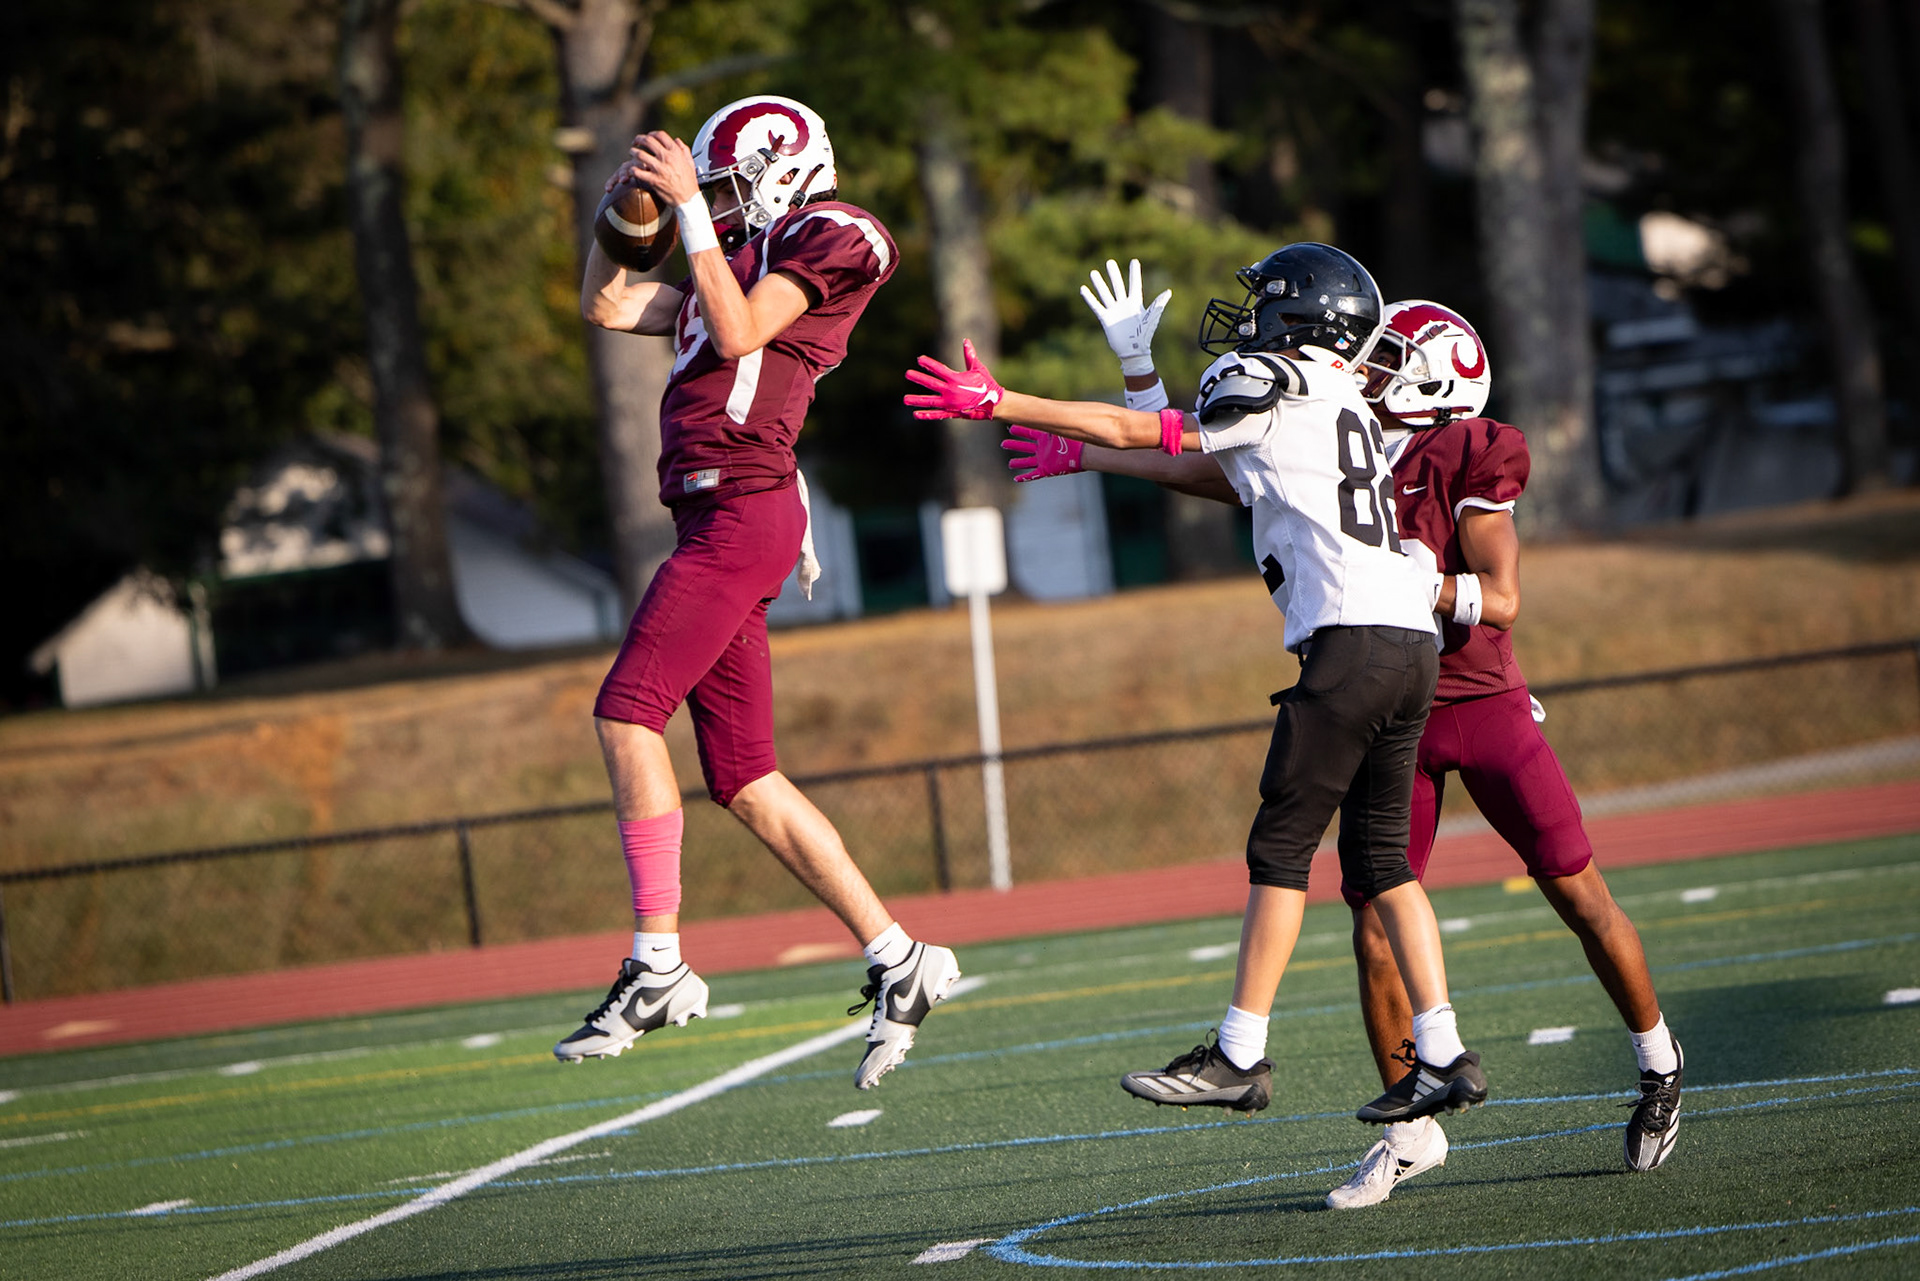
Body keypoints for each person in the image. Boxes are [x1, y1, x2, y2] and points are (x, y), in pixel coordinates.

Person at [1018, 272, 1684, 1201]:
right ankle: (1410, 1118)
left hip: (1471, 696)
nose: (1365, 368)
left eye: (1390, 361)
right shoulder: (1329, 422)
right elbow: (1198, 459)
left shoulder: (1467, 449)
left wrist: (1425, 586)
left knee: (1578, 892)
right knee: (1372, 909)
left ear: (1433, 381)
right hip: (1389, 695)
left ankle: (1658, 1061)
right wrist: (1093, 443)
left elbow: (1506, 599)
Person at [905, 244, 1489, 1126]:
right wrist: (1130, 382)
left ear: (1304, 318)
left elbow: (1162, 436)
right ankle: (1443, 1052)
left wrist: (1003, 402)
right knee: (1382, 862)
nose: (1249, 316)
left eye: (1267, 302)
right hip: (1409, 643)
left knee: (1280, 850)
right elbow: (1203, 460)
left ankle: (1238, 1053)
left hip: (1350, 641)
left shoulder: (1273, 378)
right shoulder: (1340, 400)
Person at [563, 94, 959, 1089]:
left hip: (745, 505)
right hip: (712, 513)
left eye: (736, 185)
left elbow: (739, 337)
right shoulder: (731, 257)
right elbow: (608, 306)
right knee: (743, 778)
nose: (727, 205)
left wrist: (692, 214)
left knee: (626, 714)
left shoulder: (841, 234)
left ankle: (658, 965)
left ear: (784, 168)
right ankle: (899, 957)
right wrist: (619, 217)